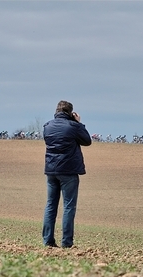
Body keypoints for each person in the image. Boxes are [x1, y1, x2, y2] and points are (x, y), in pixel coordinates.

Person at [42, 100, 92, 248]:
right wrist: (78, 123)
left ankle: (48, 241)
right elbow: (87, 141)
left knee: (51, 205)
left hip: (51, 170)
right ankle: (66, 242)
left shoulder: (47, 126)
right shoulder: (73, 126)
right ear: (70, 113)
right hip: (69, 171)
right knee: (69, 206)